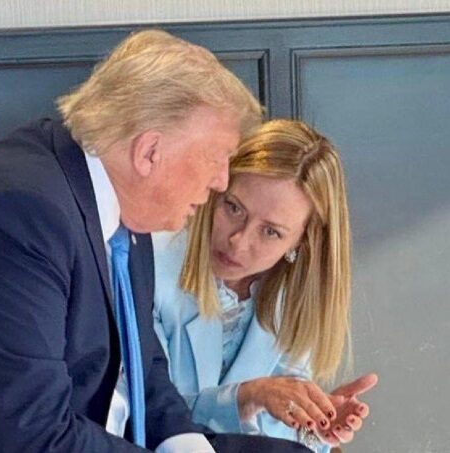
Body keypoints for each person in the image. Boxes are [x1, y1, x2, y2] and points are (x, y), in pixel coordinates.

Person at [0, 31, 312, 452]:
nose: (221, 181)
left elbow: (145, 370)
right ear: (149, 153)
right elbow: (34, 434)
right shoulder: (14, 214)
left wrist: (186, 445)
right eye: (217, 157)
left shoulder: (116, 200)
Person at [152, 119, 379, 452]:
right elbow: (144, 415)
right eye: (233, 208)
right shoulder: (152, 267)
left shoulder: (293, 298)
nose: (238, 240)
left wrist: (314, 426)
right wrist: (246, 396)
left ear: (301, 242)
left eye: (270, 231)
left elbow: (266, 428)